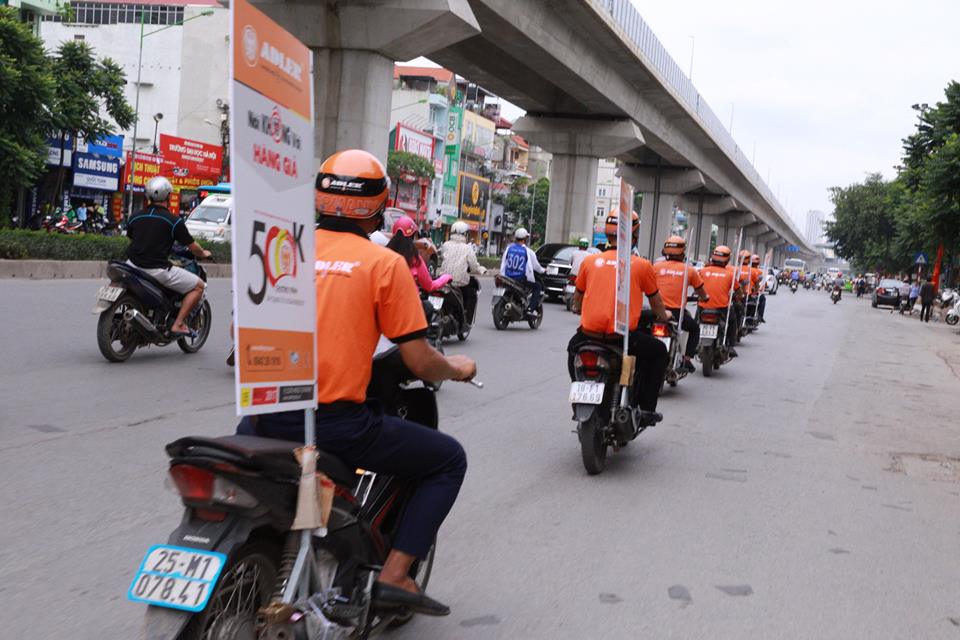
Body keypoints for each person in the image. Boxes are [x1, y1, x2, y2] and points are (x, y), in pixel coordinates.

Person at [251, 150, 475, 616]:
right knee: (448, 459)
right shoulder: (384, 264)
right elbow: (417, 360)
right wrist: (455, 367)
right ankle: (394, 575)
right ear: (379, 206)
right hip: (335, 425)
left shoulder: (281, 247)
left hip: (260, 416)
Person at [569, 210, 671, 428]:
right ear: (634, 234)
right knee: (659, 352)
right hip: (620, 339)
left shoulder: (589, 262)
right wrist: (665, 316)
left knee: (572, 350)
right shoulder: (642, 265)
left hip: (589, 336)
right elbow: (656, 304)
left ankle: (578, 391)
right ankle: (646, 409)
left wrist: (578, 309)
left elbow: (577, 299)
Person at [125, 176, 211, 337]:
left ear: (148, 196)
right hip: (156, 270)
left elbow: (132, 237)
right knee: (199, 286)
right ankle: (178, 323)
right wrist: (204, 253)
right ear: (168, 196)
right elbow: (193, 247)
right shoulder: (173, 221)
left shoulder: (135, 216)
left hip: (131, 265)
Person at [653, 235, 708, 373]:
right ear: (682, 253)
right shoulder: (689, 270)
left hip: (655, 312)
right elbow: (700, 290)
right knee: (695, 329)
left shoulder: (655, 267)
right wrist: (704, 297)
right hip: (677, 313)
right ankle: (687, 359)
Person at [387, 215, 452, 293]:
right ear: (412, 236)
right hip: (409, 302)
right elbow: (430, 286)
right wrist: (446, 277)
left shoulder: (385, 255)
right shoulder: (415, 259)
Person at [439, 220, 486, 323]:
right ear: (465, 234)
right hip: (459, 283)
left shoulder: (445, 245)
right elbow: (474, 267)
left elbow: (442, 258)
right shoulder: (467, 249)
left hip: (443, 282)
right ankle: (466, 321)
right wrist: (481, 269)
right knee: (472, 294)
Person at [698, 245, 741, 357]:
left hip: (703, 306)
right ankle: (731, 346)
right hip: (722, 308)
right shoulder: (730, 275)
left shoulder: (703, 271)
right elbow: (738, 291)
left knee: (696, 324)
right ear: (727, 260)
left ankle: (693, 346)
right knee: (732, 322)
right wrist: (739, 296)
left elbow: (697, 287)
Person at [500, 227, 544, 317]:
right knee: (537, 287)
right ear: (525, 239)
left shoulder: (509, 248)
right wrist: (544, 270)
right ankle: (530, 309)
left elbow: (503, 262)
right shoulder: (528, 251)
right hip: (520, 280)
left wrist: (502, 275)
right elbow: (536, 266)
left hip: (507, 278)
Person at [750, 254, 767, 322]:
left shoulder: (746, 269)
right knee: (762, 299)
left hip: (744, 292)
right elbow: (761, 283)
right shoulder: (759, 272)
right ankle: (760, 316)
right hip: (753, 292)